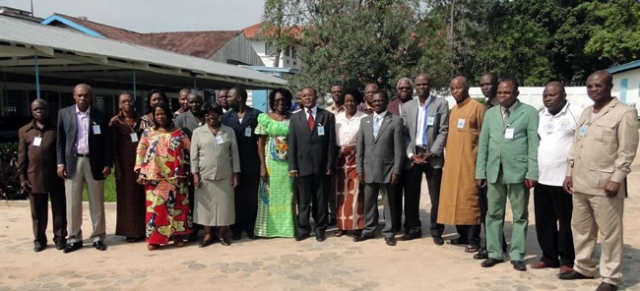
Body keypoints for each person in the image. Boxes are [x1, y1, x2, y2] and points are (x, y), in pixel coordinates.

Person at [560, 71, 639, 291]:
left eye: (598, 85)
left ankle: (611, 277)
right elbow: (576, 145)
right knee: (581, 228)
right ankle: (583, 266)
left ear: (610, 86)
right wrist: (569, 172)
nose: (594, 89)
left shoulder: (624, 113)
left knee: (610, 233)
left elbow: (627, 151)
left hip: (606, 186)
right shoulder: (586, 112)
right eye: (590, 86)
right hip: (581, 182)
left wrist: (617, 179)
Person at [476, 79, 539, 271]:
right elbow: (484, 144)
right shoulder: (491, 114)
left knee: (520, 215)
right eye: (500, 93)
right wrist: (480, 171)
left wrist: (532, 171)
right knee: (493, 213)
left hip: (518, 172)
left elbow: (533, 144)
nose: (503, 96)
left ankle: (517, 254)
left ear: (516, 94)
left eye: (507, 92)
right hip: (494, 171)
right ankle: (494, 252)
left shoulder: (528, 113)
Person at [56, 83, 112, 253]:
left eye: (86, 95)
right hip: (73, 163)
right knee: (72, 202)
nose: (82, 98)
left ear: (91, 97)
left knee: (97, 201)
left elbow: (106, 143)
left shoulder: (100, 115)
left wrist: (107, 163)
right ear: (74, 96)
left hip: (93, 162)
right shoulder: (64, 114)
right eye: (79, 95)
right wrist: (60, 163)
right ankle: (74, 238)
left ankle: (98, 236)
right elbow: (60, 141)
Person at [531, 82, 580, 274]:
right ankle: (549, 257)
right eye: (546, 96)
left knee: (566, 222)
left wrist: (573, 172)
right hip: (543, 178)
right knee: (544, 222)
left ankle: (567, 259)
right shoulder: (541, 116)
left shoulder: (575, 113)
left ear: (563, 95)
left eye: (552, 95)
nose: (548, 99)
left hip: (564, 180)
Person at [135, 102, 192, 250]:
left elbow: (190, 150)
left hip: (176, 177)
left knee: (177, 208)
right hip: (154, 177)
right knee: (156, 209)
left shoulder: (179, 133)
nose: (160, 117)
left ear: (169, 115)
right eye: (157, 114)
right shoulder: (148, 133)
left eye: (163, 114)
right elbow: (141, 152)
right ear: (153, 116)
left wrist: (189, 170)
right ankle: (154, 239)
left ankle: (178, 236)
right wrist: (141, 172)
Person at [437, 76, 485, 253]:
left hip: (469, 165)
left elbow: (484, 138)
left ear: (467, 88)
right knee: (455, 200)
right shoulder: (453, 111)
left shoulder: (477, 108)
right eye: (452, 88)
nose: (455, 91)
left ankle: (474, 239)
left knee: (470, 201)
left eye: (458, 88)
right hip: (452, 165)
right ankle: (462, 235)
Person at [400, 74, 449, 244]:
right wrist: (411, 155)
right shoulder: (407, 106)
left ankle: (436, 230)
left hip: (432, 157)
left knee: (436, 196)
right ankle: (413, 228)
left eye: (425, 84)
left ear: (430, 85)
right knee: (411, 196)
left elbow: (443, 130)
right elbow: (404, 134)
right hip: (414, 156)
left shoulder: (440, 104)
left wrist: (433, 152)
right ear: (415, 86)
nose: (421, 87)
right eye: (418, 84)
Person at [355, 90, 404, 247]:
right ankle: (369, 230)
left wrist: (396, 170)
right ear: (371, 103)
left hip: (388, 170)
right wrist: (359, 169)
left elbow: (399, 149)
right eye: (374, 101)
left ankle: (389, 232)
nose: (377, 103)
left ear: (386, 102)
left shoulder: (395, 121)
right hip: (368, 169)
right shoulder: (365, 122)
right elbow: (360, 148)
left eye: (380, 101)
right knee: (369, 202)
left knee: (389, 203)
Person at [288, 87, 337, 242]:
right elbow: (292, 144)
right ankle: (303, 228)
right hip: (302, 166)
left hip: (321, 165)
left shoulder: (327, 116)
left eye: (310, 95)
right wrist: (292, 166)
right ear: (300, 99)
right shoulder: (295, 119)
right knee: (303, 200)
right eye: (304, 96)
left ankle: (320, 228)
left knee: (320, 199)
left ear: (316, 97)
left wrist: (330, 164)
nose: (307, 98)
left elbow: (331, 143)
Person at [18, 99, 67, 252]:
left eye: (42, 108)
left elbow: (62, 150)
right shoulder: (25, 131)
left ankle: (60, 237)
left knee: (59, 208)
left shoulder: (56, 129)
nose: (39, 111)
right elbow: (22, 157)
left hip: (55, 175)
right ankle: (39, 239)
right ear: (31, 111)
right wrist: (22, 177)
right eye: (36, 109)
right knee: (38, 211)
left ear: (47, 110)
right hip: (35, 176)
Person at [192, 102, 241, 247]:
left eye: (213, 112)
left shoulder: (229, 131)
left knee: (225, 207)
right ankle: (208, 235)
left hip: (225, 176)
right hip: (204, 176)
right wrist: (195, 174)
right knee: (205, 208)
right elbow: (194, 156)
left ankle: (221, 234)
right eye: (207, 113)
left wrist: (236, 174)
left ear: (219, 114)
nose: (210, 116)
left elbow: (235, 154)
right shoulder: (198, 133)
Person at [254, 88, 297, 238]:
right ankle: (268, 230)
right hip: (270, 165)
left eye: (283, 100)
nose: (280, 103)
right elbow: (260, 144)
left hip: (288, 166)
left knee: (288, 196)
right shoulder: (265, 118)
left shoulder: (293, 118)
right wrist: (262, 167)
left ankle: (287, 229)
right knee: (268, 196)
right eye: (277, 100)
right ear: (272, 102)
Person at [222, 87, 262, 240]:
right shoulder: (226, 117)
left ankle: (251, 227)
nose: (227, 99)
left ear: (239, 98)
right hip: (232, 166)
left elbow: (260, 141)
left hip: (251, 164)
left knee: (251, 198)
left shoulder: (256, 115)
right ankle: (236, 228)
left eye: (230, 96)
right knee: (236, 199)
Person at [474, 71, 506, 260]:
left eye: (488, 84)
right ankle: (495, 242)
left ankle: (493, 245)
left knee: (494, 208)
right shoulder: (484, 107)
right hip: (485, 165)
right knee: (487, 208)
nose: (485, 87)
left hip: (499, 166)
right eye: (482, 84)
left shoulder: (501, 107)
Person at [109, 92, 145, 242]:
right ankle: (130, 231)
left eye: (130, 101)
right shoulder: (115, 122)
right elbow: (113, 146)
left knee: (142, 197)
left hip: (141, 164)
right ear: (119, 104)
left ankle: (143, 229)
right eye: (124, 101)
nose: (127, 104)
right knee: (127, 199)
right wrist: (117, 166)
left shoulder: (142, 120)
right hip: (124, 165)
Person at [334, 88, 366, 237]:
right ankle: (342, 226)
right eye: (347, 101)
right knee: (340, 193)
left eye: (352, 100)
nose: (349, 103)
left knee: (356, 192)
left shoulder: (364, 118)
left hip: (356, 156)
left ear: (357, 101)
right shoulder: (337, 118)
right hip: (340, 158)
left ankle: (358, 225)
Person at [174, 91, 204, 241]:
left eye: (197, 102)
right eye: (191, 102)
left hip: (207, 164)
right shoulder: (180, 119)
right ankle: (192, 229)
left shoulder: (208, 116)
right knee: (191, 198)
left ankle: (208, 227)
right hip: (189, 165)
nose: (193, 105)